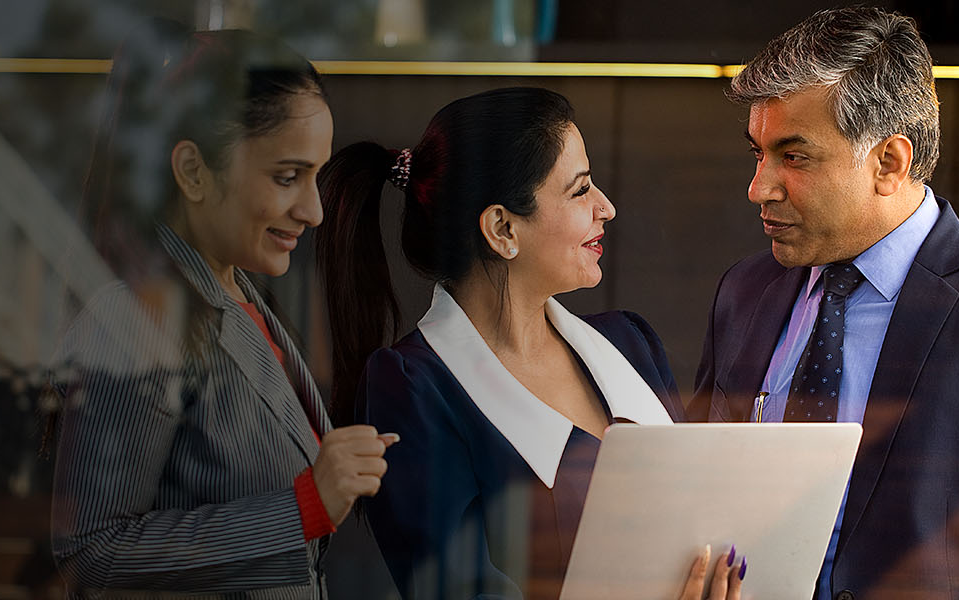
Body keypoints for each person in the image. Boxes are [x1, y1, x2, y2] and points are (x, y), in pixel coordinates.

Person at [692, 7, 959, 599]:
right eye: (757, 154)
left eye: (793, 157)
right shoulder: (743, 293)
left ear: (889, 162)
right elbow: (699, 509)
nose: (758, 187)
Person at [316, 87, 745, 600]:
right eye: (580, 190)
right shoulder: (413, 388)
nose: (605, 207)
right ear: (502, 228)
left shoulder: (631, 343)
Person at [49, 27, 393, 598]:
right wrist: (305, 506)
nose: (313, 211)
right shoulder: (141, 316)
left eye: (315, 176)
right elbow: (92, 551)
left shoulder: (238, 298)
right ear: (192, 171)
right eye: (288, 177)